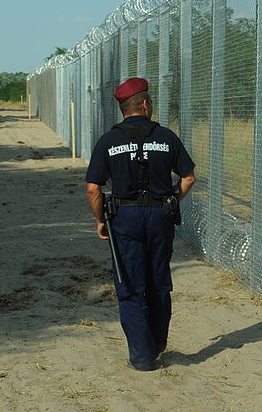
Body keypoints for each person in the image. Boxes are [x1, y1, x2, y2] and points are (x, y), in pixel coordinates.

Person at [85, 77, 196, 371]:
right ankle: (158, 342)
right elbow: (188, 177)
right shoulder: (167, 137)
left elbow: (93, 188)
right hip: (160, 215)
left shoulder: (108, 140)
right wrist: (173, 199)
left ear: (123, 108)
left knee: (131, 286)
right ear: (146, 104)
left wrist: (100, 220)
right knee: (158, 283)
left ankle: (142, 356)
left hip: (125, 218)